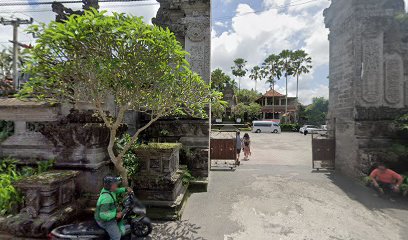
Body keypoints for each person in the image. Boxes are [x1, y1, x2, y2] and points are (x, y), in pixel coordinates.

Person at [95, 176, 133, 240]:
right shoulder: (106, 198)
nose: (117, 185)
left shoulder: (108, 190)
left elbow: (116, 190)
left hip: (109, 211)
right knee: (116, 237)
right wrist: (115, 214)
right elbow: (103, 215)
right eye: (115, 184)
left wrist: (125, 189)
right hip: (105, 221)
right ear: (111, 186)